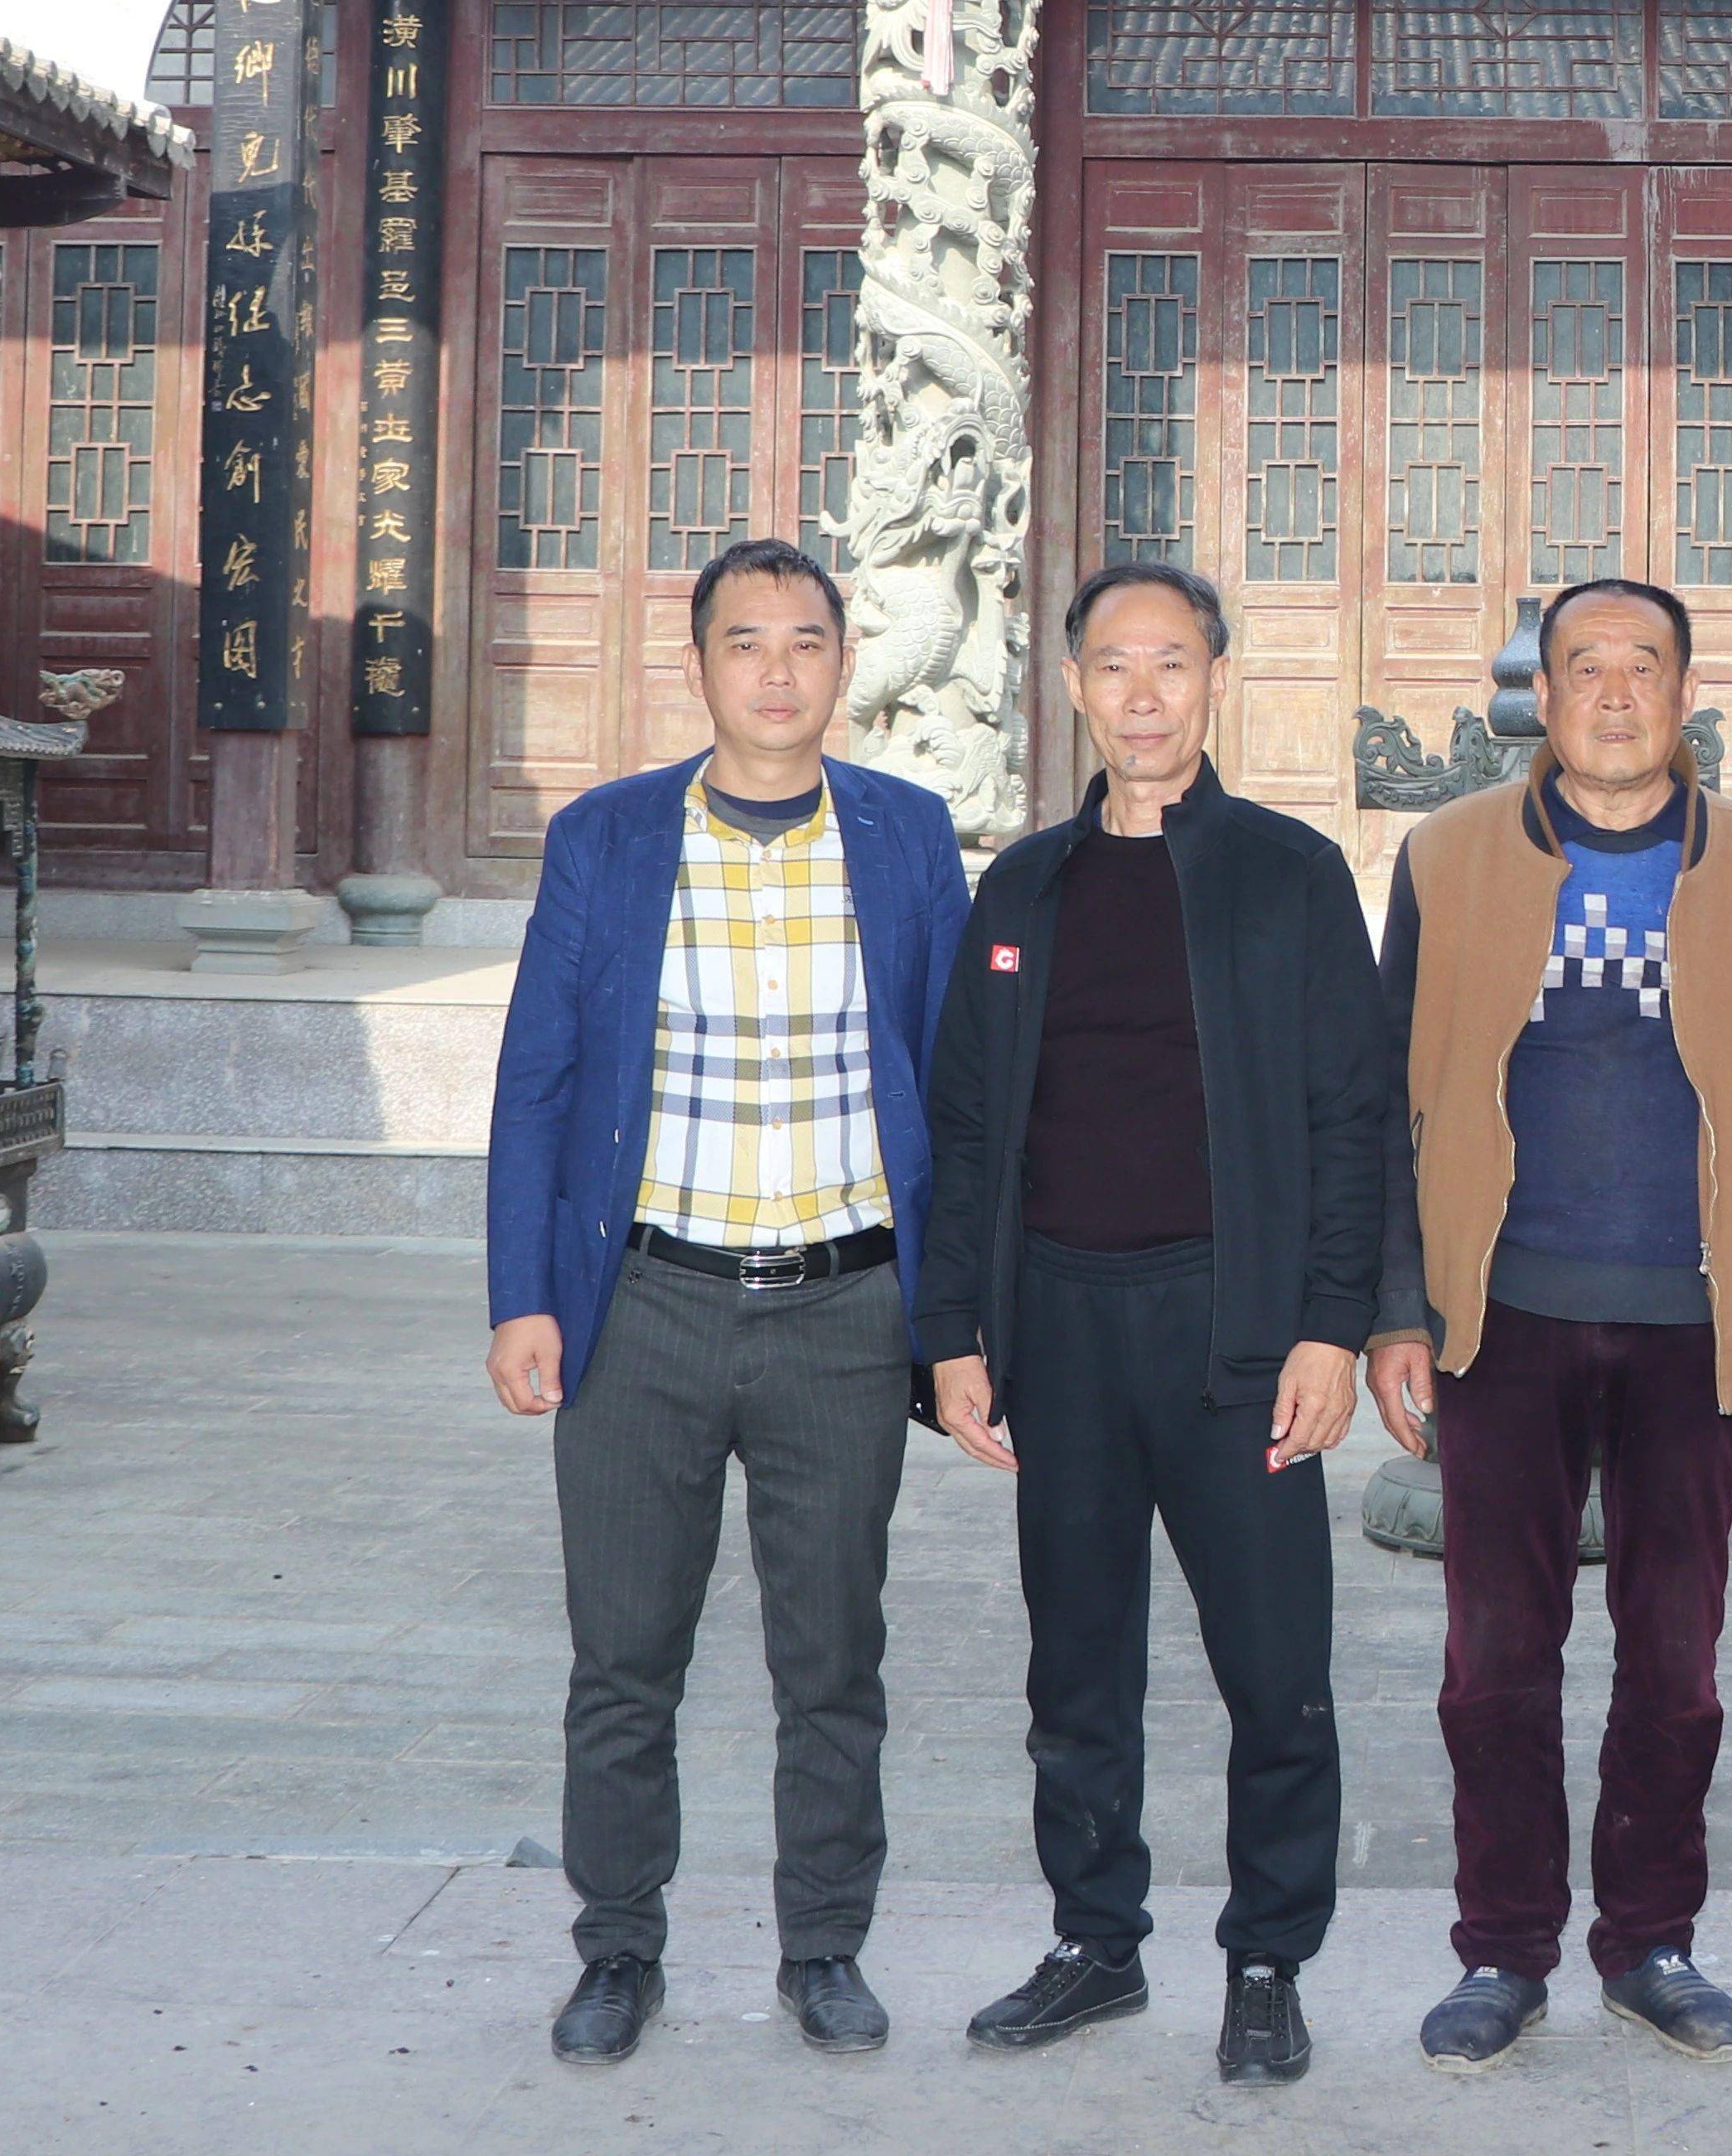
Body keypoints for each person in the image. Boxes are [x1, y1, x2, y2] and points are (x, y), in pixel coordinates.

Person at [482, 534, 970, 2071]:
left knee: (834, 1659)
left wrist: (955, 1324)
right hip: (647, 1307)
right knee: (625, 1659)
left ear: (843, 663)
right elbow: (539, 1081)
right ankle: (618, 1949)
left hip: (841, 1310)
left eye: (807, 641)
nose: (777, 669)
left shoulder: (908, 835)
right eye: (745, 641)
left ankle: (824, 1946)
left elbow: (958, 1081)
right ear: (697, 668)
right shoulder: (609, 839)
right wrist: (524, 1297)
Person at [917, 561, 1393, 2086]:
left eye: (1172, 664)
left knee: (1275, 1670)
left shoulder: (1288, 873)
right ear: (1071, 686)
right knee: (1079, 1668)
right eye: (1114, 666)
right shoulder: (1025, 887)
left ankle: (1268, 1956)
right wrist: (953, 1337)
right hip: (1059, 1324)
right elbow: (970, 1123)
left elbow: (1348, 1114)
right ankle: (1094, 1943)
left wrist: (1330, 1325)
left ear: (1216, 678)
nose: (1143, 694)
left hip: (1233, 1331)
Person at [1364, 578, 1732, 2073]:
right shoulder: (1445, 861)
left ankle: (1651, 1941)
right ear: (1542, 696)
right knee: (1494, 1658)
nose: (1616, 693)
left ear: (1687, 694)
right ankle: (1501, 1952)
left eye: (1645, 666)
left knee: (1675, 1657)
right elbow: (1387, 1097)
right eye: (1586, 668)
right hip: (1498, 1317)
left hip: (1694, 1324)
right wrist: (1392, 1312)